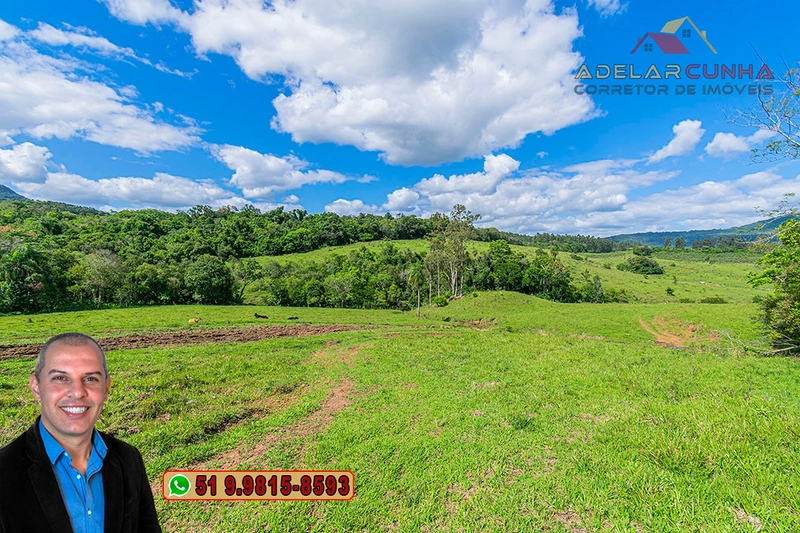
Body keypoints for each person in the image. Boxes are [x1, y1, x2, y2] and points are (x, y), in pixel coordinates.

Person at [0, 332, 162, 533]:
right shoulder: (4, 471)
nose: (77, 392)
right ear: (36, 387)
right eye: (60, 378)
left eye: (91, 378)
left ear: (106, 388)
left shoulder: (129, 459)